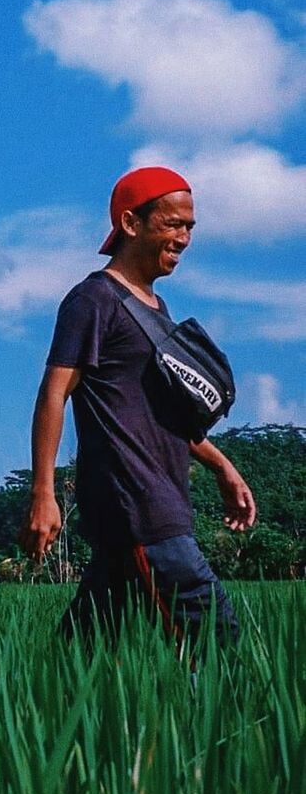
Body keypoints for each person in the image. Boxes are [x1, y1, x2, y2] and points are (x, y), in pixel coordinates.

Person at [19, 167, 256, 647]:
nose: (185, 237)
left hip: (156, 498)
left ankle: (39, 713)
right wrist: (43, 492)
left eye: (190, 226)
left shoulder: (156, 309)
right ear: (131, 223)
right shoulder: (93, 300)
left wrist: (222, 467)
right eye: (173, 224)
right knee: (217, 639)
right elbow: (53, 393)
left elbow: (164, 413)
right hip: (137, 499)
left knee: (87, 652)